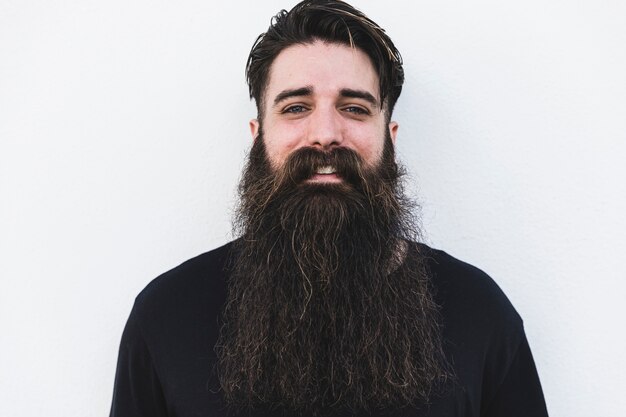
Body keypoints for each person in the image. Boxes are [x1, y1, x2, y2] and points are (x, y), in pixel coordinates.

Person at [109, 1, 549, 416]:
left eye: (354, 108)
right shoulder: (166, 316)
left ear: (389, 137)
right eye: (296, 107)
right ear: (258, 135)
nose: (324, 133)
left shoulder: (480, 314)